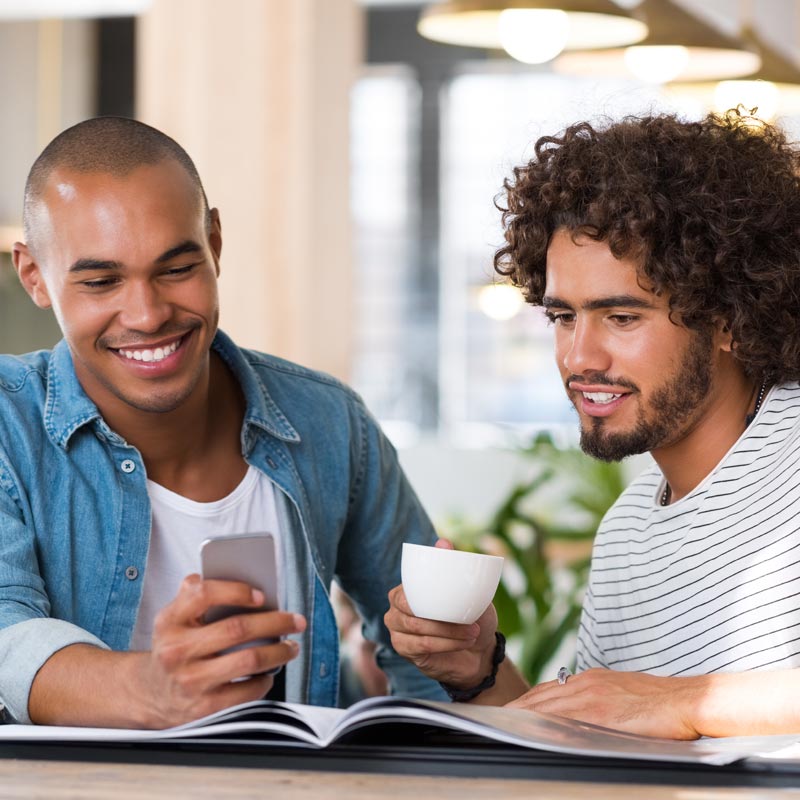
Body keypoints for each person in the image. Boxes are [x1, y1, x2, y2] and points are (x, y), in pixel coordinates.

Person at [0, 116, 445, 728]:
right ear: (34, 276)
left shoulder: (328, 422)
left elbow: (432, 660)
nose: (149, 314)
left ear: (213, 242)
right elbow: (6, 636)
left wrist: (467, 659)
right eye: (102, 281)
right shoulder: (8, 424)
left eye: (177, 268)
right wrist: (155, 689)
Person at [385, 109, 800, 738]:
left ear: (729, 319)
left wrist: (685, 704)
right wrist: (478, 670)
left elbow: (652, 709)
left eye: (622, 317)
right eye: (563, 317)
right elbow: (598, 738)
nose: (580, 359)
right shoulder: (627, 533)